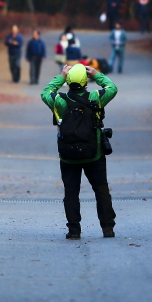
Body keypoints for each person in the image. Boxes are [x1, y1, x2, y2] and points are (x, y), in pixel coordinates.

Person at [41, 63, 118, 240]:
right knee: (101, 189)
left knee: (71, 192)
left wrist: (61, 76)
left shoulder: (59, 100)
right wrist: (97, 74)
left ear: (68, 81)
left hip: (68, 157)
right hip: (94, 154)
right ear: (85, 81)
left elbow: (45, 93)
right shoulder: (95, 97)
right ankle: (107, 228)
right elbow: (112, 88)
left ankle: (74, 230)